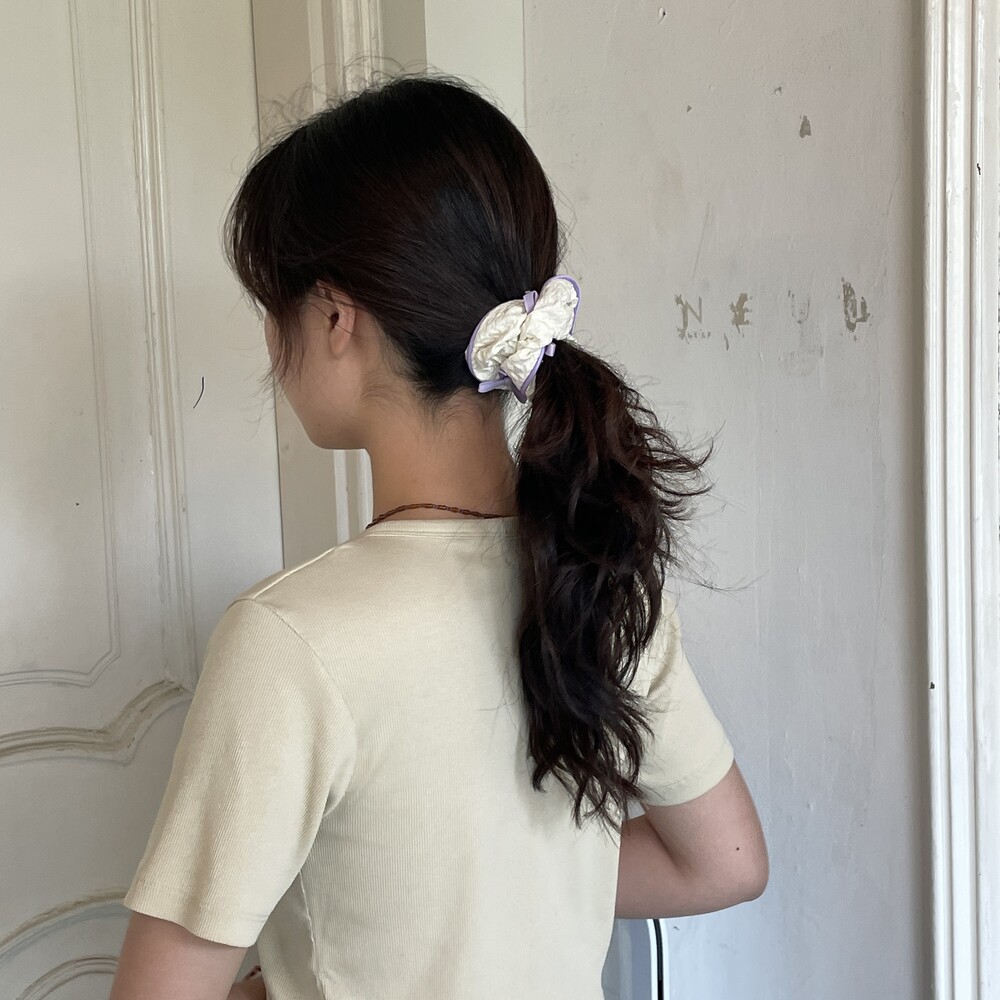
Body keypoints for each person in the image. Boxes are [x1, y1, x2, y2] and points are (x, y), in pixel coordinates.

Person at [110, 73, 767, 1000]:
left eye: (272, 306)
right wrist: (528, 887)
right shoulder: (600, 577)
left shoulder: (290, 641)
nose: (270, 342)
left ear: (334, 318)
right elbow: (725, 862)